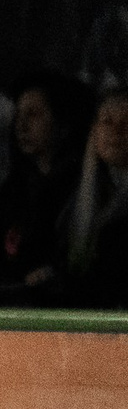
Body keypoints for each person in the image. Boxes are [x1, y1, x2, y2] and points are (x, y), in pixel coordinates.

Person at [0, 71, 87, 307]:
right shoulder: (17, 187)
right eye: (18, 115)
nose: (21, 126)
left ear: (64, 123)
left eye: (33, 114)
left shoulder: (82, 190)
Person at [62, 86, 128, 307]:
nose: (117, 131)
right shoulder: (73, 199)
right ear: (94, 131)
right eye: (107, 121)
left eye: (127, 122)